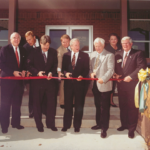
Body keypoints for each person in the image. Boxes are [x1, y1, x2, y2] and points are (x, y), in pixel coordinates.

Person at [115, 36, 147, 138]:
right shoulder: (118, 54)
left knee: (132, 107)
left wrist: (131, 76)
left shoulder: (138, 53)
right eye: (123, 43)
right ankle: (124, 125)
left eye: (127, 43)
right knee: (122, 105)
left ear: (131, 44)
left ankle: (131, 129)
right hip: (121, 85)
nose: (125, 45)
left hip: (132, 85)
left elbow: (141, 67)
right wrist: (115, 75)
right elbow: (115, 67)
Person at [26, 35, 58, 132]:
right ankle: (39, 125)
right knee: (37, 105)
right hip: (37, 83)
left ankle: (50, 124)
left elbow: (55, 65)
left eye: (47, 45)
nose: (46, 47)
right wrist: (37, 72)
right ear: (40, 43)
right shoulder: (33, 52)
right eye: (44, 45)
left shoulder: (53, 52)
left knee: (51, 104)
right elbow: (28, 65)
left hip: (50, 83)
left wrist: (52, 72)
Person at [0, 32, 26, 134]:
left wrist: (24, 70)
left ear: (20, 40)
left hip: (18, 83)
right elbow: (1, 63)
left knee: (17, 104)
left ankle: (16, 123)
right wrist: (12, 72)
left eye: (18, 38)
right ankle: (4, 126)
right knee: (5, 105)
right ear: (11, 39)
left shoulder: (23, 50)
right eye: (14, 38)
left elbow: (24, 64)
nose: (16, 40)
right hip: (7, 82)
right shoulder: (5, 49)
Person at [61, 38, 89, 132]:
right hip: (68, 84)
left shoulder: (84, 55)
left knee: (79, 106)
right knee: (67, 105)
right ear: (71, 46)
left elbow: (86, 69)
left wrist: (82, 75)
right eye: (75, 45)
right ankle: (66, 125)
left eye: (78, 45)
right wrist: (66, 73)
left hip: (80, 85)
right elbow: (63, 69)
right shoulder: (66, 55)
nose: (78, 47)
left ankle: (77, 126)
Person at [90, 37, 114, 138]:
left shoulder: (109, 55)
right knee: (97, 105)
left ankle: (104, 128)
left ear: (103, 45)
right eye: (96, 46)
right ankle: (99, 124)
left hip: (104, 84)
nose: (97, 48)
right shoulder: (92, 54)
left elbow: (110, 70)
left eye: (99, 46)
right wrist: (91, 73)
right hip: (95, 85)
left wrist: (103, 79)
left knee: (104, 108)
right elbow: (90, 68)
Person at [23, 31, 40, 118]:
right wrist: (27, 70)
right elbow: (25, 60)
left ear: (34, 37)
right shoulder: (25, 47)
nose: (29, 42)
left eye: (30, 39)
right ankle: (32, 111)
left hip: (41, 73)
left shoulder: (41, 43)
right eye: (27, 40)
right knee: (32, 93)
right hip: (32, 73)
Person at [105, 33, 122, 107]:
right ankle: (110, 101)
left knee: (119, 85)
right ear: (109, 40)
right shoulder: (106, 48)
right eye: (111, 39)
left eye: (115, 39)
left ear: (117, 40)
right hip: (110, 69)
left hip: (120, 69)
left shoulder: (120, 47)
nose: (113, 41)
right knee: (111, 86)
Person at [57, 34, 71, 109]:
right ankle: (62, 103)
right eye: (63, 42)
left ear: (69, 41)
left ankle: (71, 102)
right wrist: (59, 72)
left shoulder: (71, 48)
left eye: (67, 42)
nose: (65, 43)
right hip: (63, 72)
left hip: (71, 72)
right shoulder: (60, 50)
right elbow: (59, 62)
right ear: (61, 42)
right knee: (63, 87)